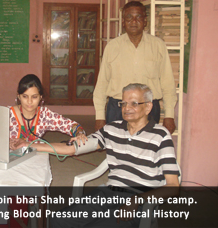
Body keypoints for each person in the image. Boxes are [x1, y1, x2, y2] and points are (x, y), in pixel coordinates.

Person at [11, 83, 180, 227]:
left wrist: (137, 200)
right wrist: (30, 144)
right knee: (57, 221)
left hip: (137, 201)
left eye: (134, 103)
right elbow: (73, 149)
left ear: (149, 106)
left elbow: (173, 186)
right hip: (108, 193)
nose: (127, 108)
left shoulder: (161, 136)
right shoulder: (111, 129)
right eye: (123, 103)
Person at [93, 1, 177, 134]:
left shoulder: (158, 46)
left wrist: (169, 115)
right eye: (129, 17)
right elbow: (102, 83)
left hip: (148, 108)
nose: (133, 21)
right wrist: (99, 116)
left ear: (145, 21)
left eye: (138, 17)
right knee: (117, 149)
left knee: (146, 150)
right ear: (123, 22)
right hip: (118, 108)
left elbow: (167, 83)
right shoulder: (112, 47)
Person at [0, 74, 87, 149]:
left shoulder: (45, 115)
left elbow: (72, 126)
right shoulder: (7, 114)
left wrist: (80, 133)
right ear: (18, 97)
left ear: (41, 97)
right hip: (10, 159)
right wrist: (4, 145)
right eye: (25, 96)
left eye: (34, 97)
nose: (29, 101)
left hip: (35, 158)